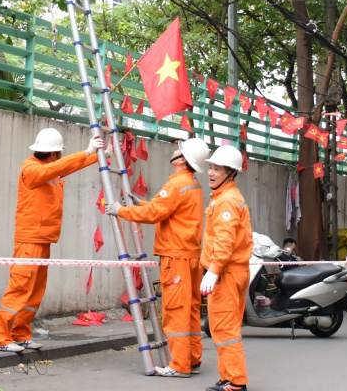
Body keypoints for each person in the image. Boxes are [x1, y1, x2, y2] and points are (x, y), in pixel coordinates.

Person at [0, 128, 103, 353]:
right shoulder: (32, 169)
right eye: (60, 153)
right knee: (20, 288)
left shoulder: (48, 169)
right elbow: (60, 167)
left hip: (41, 239)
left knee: (34, 291)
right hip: (30, 239)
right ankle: (2, 339)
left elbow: (68, 166)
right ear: (53, 153)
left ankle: (20, 334)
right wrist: (86, 150)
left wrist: (98, 155)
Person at [107, 138, 209, 378]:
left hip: (176, 257)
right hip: (190, 256)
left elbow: (155, 213)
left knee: (176, 311)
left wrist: (121, 210)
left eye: (179, 149)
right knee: (191, 310)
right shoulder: (192, 183)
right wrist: (141, 203)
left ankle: (179, 365)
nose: (175, 150)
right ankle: (191, 360)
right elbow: (168, 210)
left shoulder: (177, 183)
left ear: (182, 159)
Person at [199, 145, 252, 391]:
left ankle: (235, 381)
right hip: (233, 271)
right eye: (210, 167)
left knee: (224, 327)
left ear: (230, 173)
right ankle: (228, 376)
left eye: (216, 169)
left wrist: (213, 269)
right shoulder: (226, 197)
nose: (210, 172)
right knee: (224, 326)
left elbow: (224, 241)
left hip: (226, 273)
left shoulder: (227, 201)